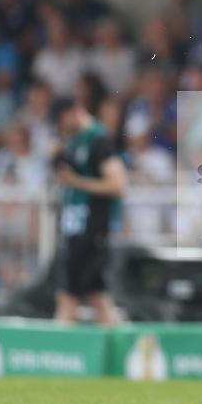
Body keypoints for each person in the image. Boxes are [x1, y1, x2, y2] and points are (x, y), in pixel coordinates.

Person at [50, 92, 127, 325]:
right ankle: (122, 352)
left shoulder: (98, 140)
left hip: (91, 226)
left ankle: (55, 353)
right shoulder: (76, 141)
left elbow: (118, 184)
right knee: (97, 298)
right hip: (77, 227)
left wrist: (76, 182)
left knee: (68, 296)